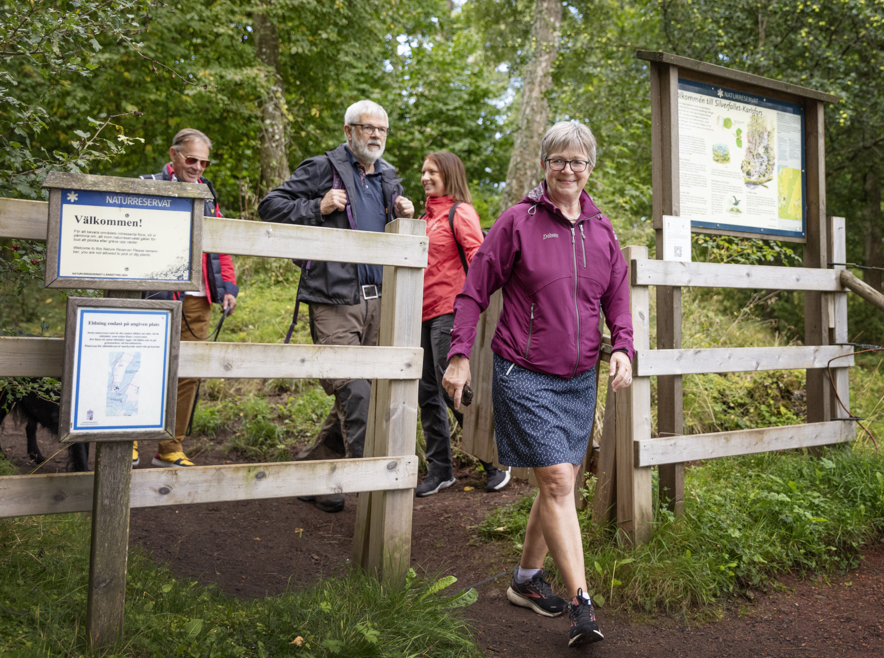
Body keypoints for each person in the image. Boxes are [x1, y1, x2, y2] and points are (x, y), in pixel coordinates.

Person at [442, 120, 634, 648]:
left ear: (590, 167)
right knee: (555, 481)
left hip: (579, 378)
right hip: (522, 373)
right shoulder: (518, 222)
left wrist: (622, 345)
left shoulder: (601, 229)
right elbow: (473, 292)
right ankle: (581, 605)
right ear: (544, 165)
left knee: (561, 484)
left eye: (578, 161)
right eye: (558, 160)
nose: (568, 170)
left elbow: (617, 295)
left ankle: (526, 580)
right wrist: (459, 355)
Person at [258, 100, 414, 513]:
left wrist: (406, 214)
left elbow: (399, 236)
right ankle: (376, 498)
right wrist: (318, 206)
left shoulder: (388, 178)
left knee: (365, 393)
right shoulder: (321, 168)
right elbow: (270, 206)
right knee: (354, 390)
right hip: (333, 299)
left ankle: (313, 474)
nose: (376, 135)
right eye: (367, 128)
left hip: (379, 299)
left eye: (382, 129)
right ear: (348, 131)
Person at [139, 128, 239, 469]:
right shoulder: (149, 185)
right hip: (156, 294)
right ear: (174, 155)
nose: (197, 167)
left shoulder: (208, 194)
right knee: (146, 364)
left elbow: (221, 243)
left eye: (203, 161)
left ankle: (170, 448)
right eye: (191, 159)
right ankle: (129, 440)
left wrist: (228, 288)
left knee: (188, 373)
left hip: (198, 298)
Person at [415, 152, 511, 497]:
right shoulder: (424, 218)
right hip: (420, 314)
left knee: (452, 388)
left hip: (450, 311)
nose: (425, 177)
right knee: (426, 394)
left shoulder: (460, 212)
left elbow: (479, 259)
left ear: (449, 174)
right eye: (423, 172)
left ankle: (495, 460)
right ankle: (441, 470)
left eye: (432, 171)